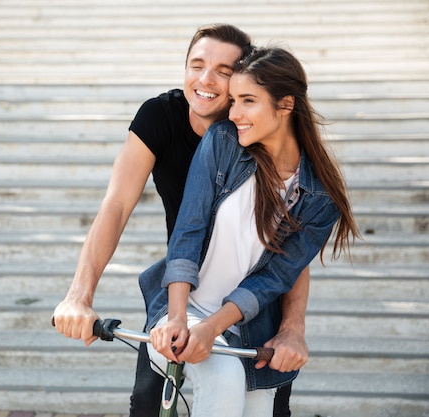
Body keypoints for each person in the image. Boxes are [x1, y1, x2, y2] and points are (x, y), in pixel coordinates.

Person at [52, 24, 309, 417]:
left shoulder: (263, 137)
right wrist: (79, 295)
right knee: (149, 404)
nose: (205, 80)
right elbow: (117, 204)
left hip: (256, 304)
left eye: (223, 71)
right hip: (183, 291)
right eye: (196, 65)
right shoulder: (162, 116)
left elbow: (288, 248)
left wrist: (292, 326)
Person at [146, 46, 361, 416]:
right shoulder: (224, 143)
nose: (233, 114)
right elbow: (188, 231)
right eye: (233, 101)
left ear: (285, 105)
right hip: (181, 310)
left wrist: (213, 328)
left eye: (247, 101)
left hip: (249, 328)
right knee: (224, 378)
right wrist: (180, 319)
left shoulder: (320, 197)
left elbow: (274, 279)